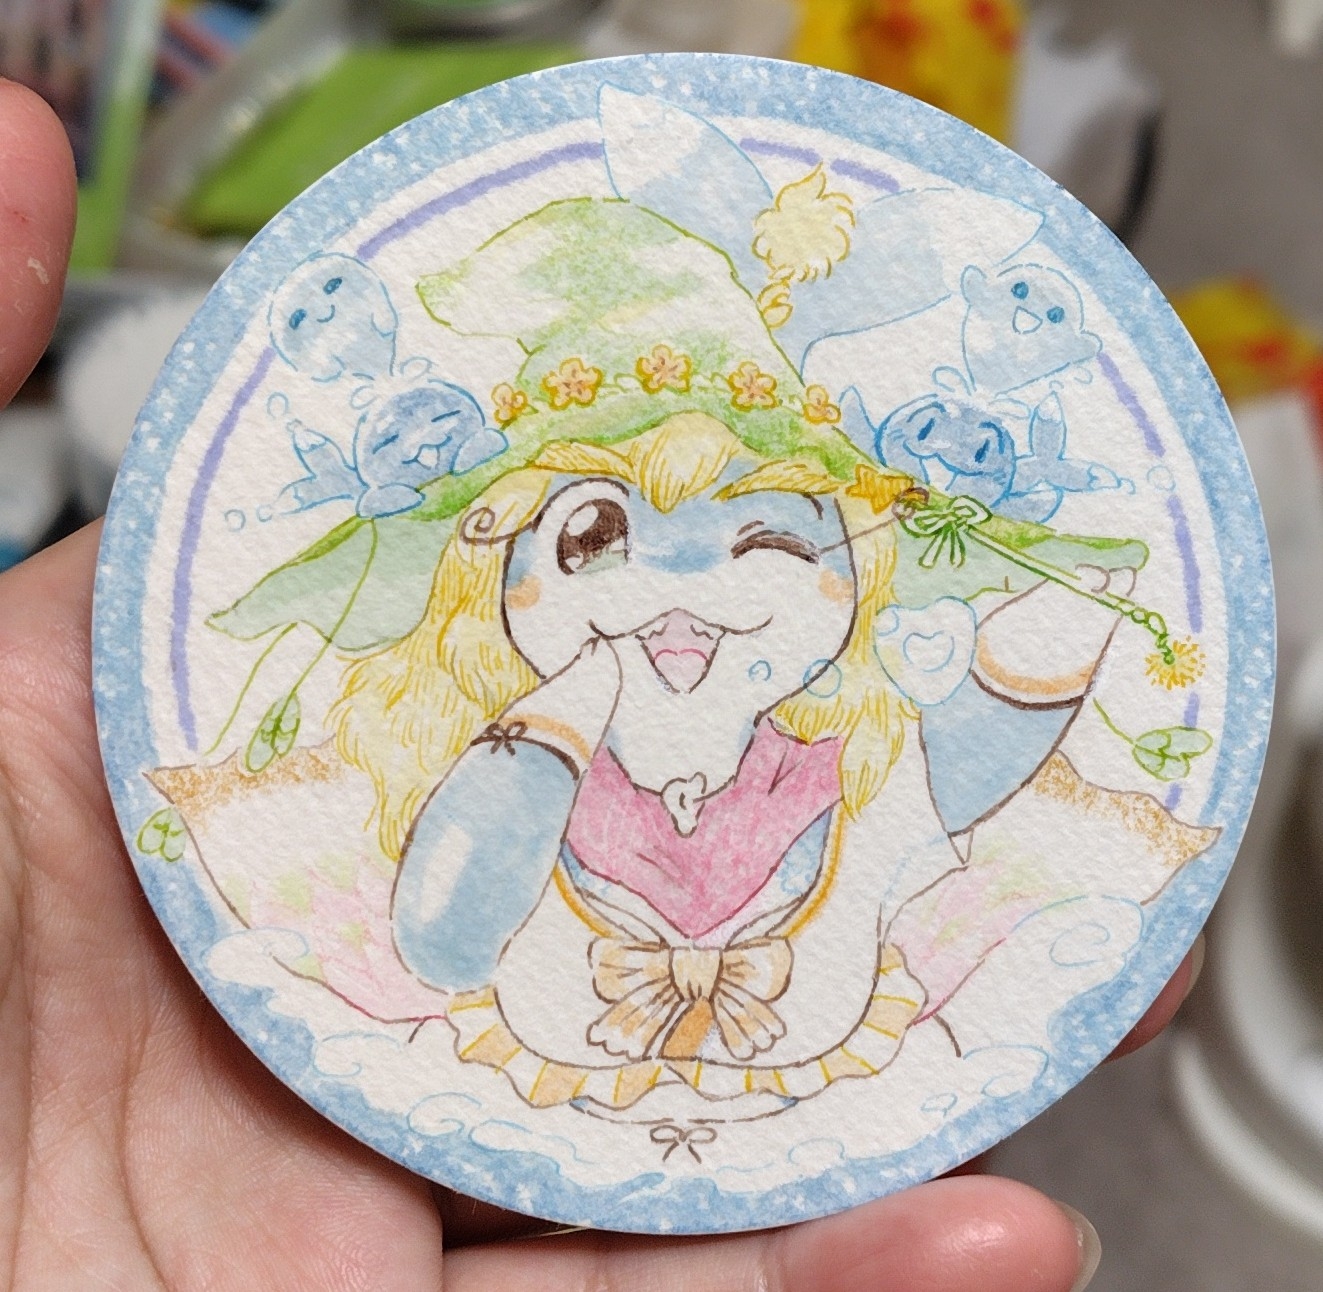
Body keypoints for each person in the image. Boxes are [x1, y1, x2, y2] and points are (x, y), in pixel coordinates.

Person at [0, 77, 1199, 1290]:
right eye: (595, 539)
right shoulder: (516, 768)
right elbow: (448, 931)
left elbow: (994, 725)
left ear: (854, 583)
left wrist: (1082, 573)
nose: (676, 586)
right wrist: (561, 713)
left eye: (765, 540)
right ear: (499, 577)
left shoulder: (854, 782)